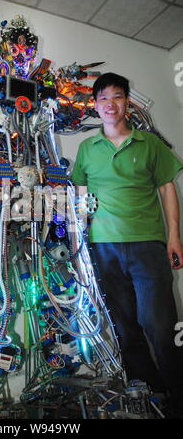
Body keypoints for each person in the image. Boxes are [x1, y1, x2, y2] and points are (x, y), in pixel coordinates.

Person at [71, 72, 183, 418]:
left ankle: (179, 395)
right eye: (103, 98)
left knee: (160, 326)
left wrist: (174, 236)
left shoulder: (151, 145)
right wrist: (78, 247)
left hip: (148, 245)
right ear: (95, 105)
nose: (110, 104)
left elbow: (167, 188)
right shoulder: (87, 148)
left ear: (127, 102)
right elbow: (78, 196)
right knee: (124, 326)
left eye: (117, 96)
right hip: (103, 248)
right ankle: (147, 392)